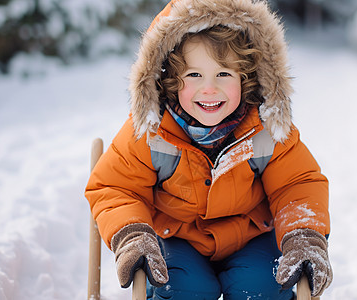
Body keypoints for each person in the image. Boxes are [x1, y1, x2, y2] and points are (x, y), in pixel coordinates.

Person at [85, 0, 333, 299]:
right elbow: (116, 188)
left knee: (260, 287)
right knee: (183, 289)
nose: (209, 89)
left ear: (247, 78)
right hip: (177, 239)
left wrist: (303, 234)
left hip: (251, 237)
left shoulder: (267, 130)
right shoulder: (150, 133)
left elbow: (296, 185)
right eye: (194, 75)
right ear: (170, 80)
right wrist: (132, 234)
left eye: (224, 74)